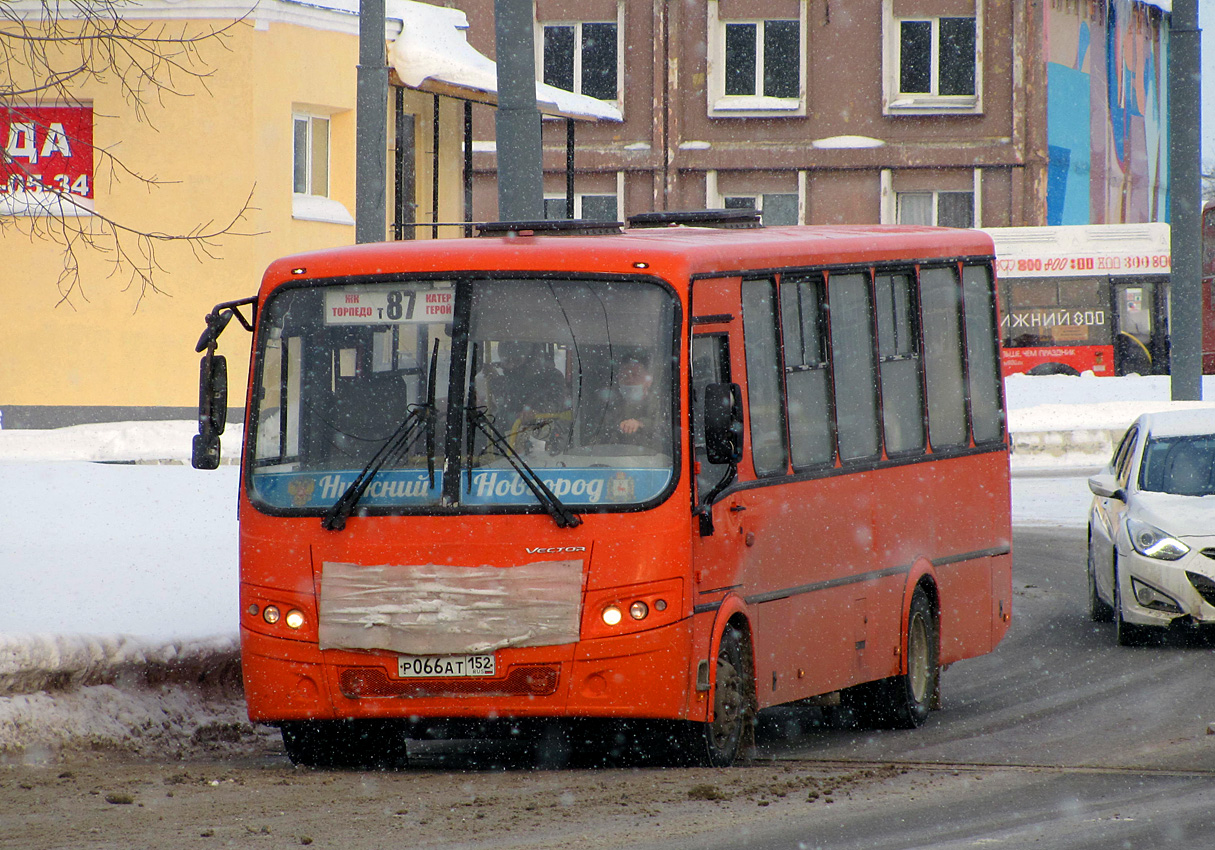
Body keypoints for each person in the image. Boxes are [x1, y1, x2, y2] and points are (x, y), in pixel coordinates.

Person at [601, 358, 668, 450]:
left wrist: (640, 423)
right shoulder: (609, 405)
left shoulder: (661, 403)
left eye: (635, 375)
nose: (630, 380)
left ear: (648, 380)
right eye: (625, 376)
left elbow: (666, 428)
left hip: (650, 459)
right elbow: (598, 434)